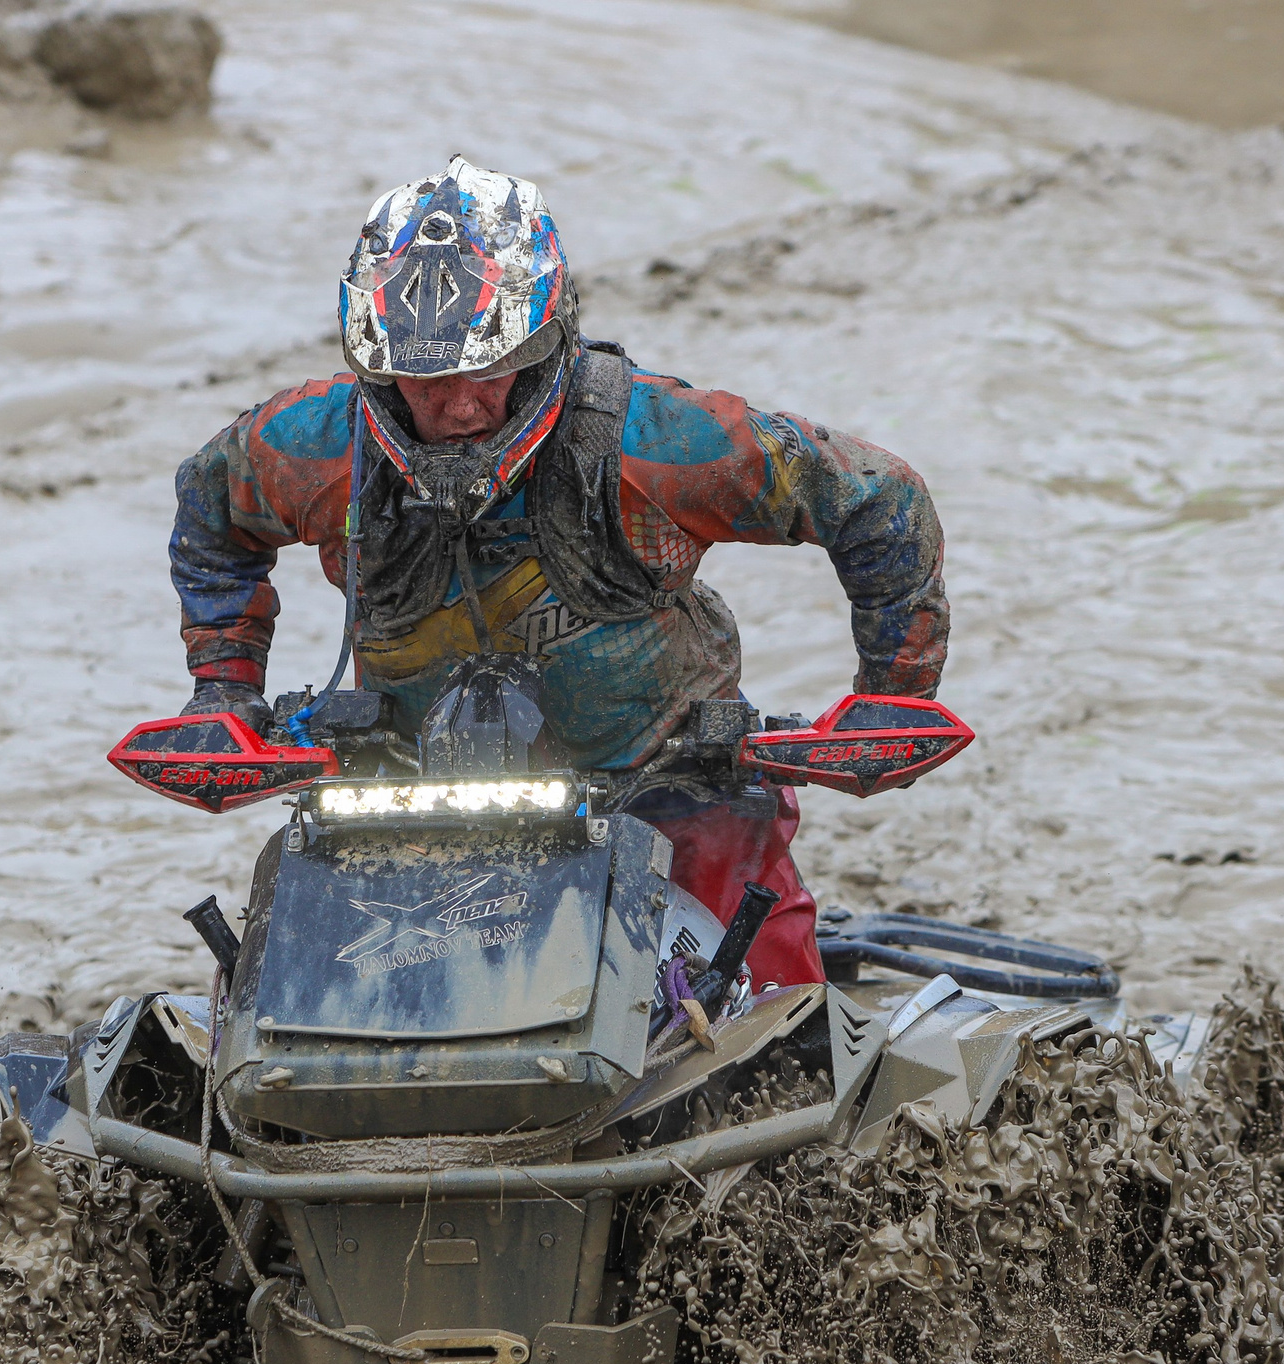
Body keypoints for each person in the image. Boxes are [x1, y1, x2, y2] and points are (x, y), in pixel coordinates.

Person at [166, 157, 946, 988]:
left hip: (665, 780)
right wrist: (224, 690)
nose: (459, 406)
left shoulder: (659, 441)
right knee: (287, 991)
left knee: (778, 1011)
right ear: (380, 365)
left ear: (541, 346)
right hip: (410, 787)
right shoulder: (309, 446)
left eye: (488, 369)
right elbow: (210, 512)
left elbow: (874, 497)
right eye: (428, 378)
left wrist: (892, 693)